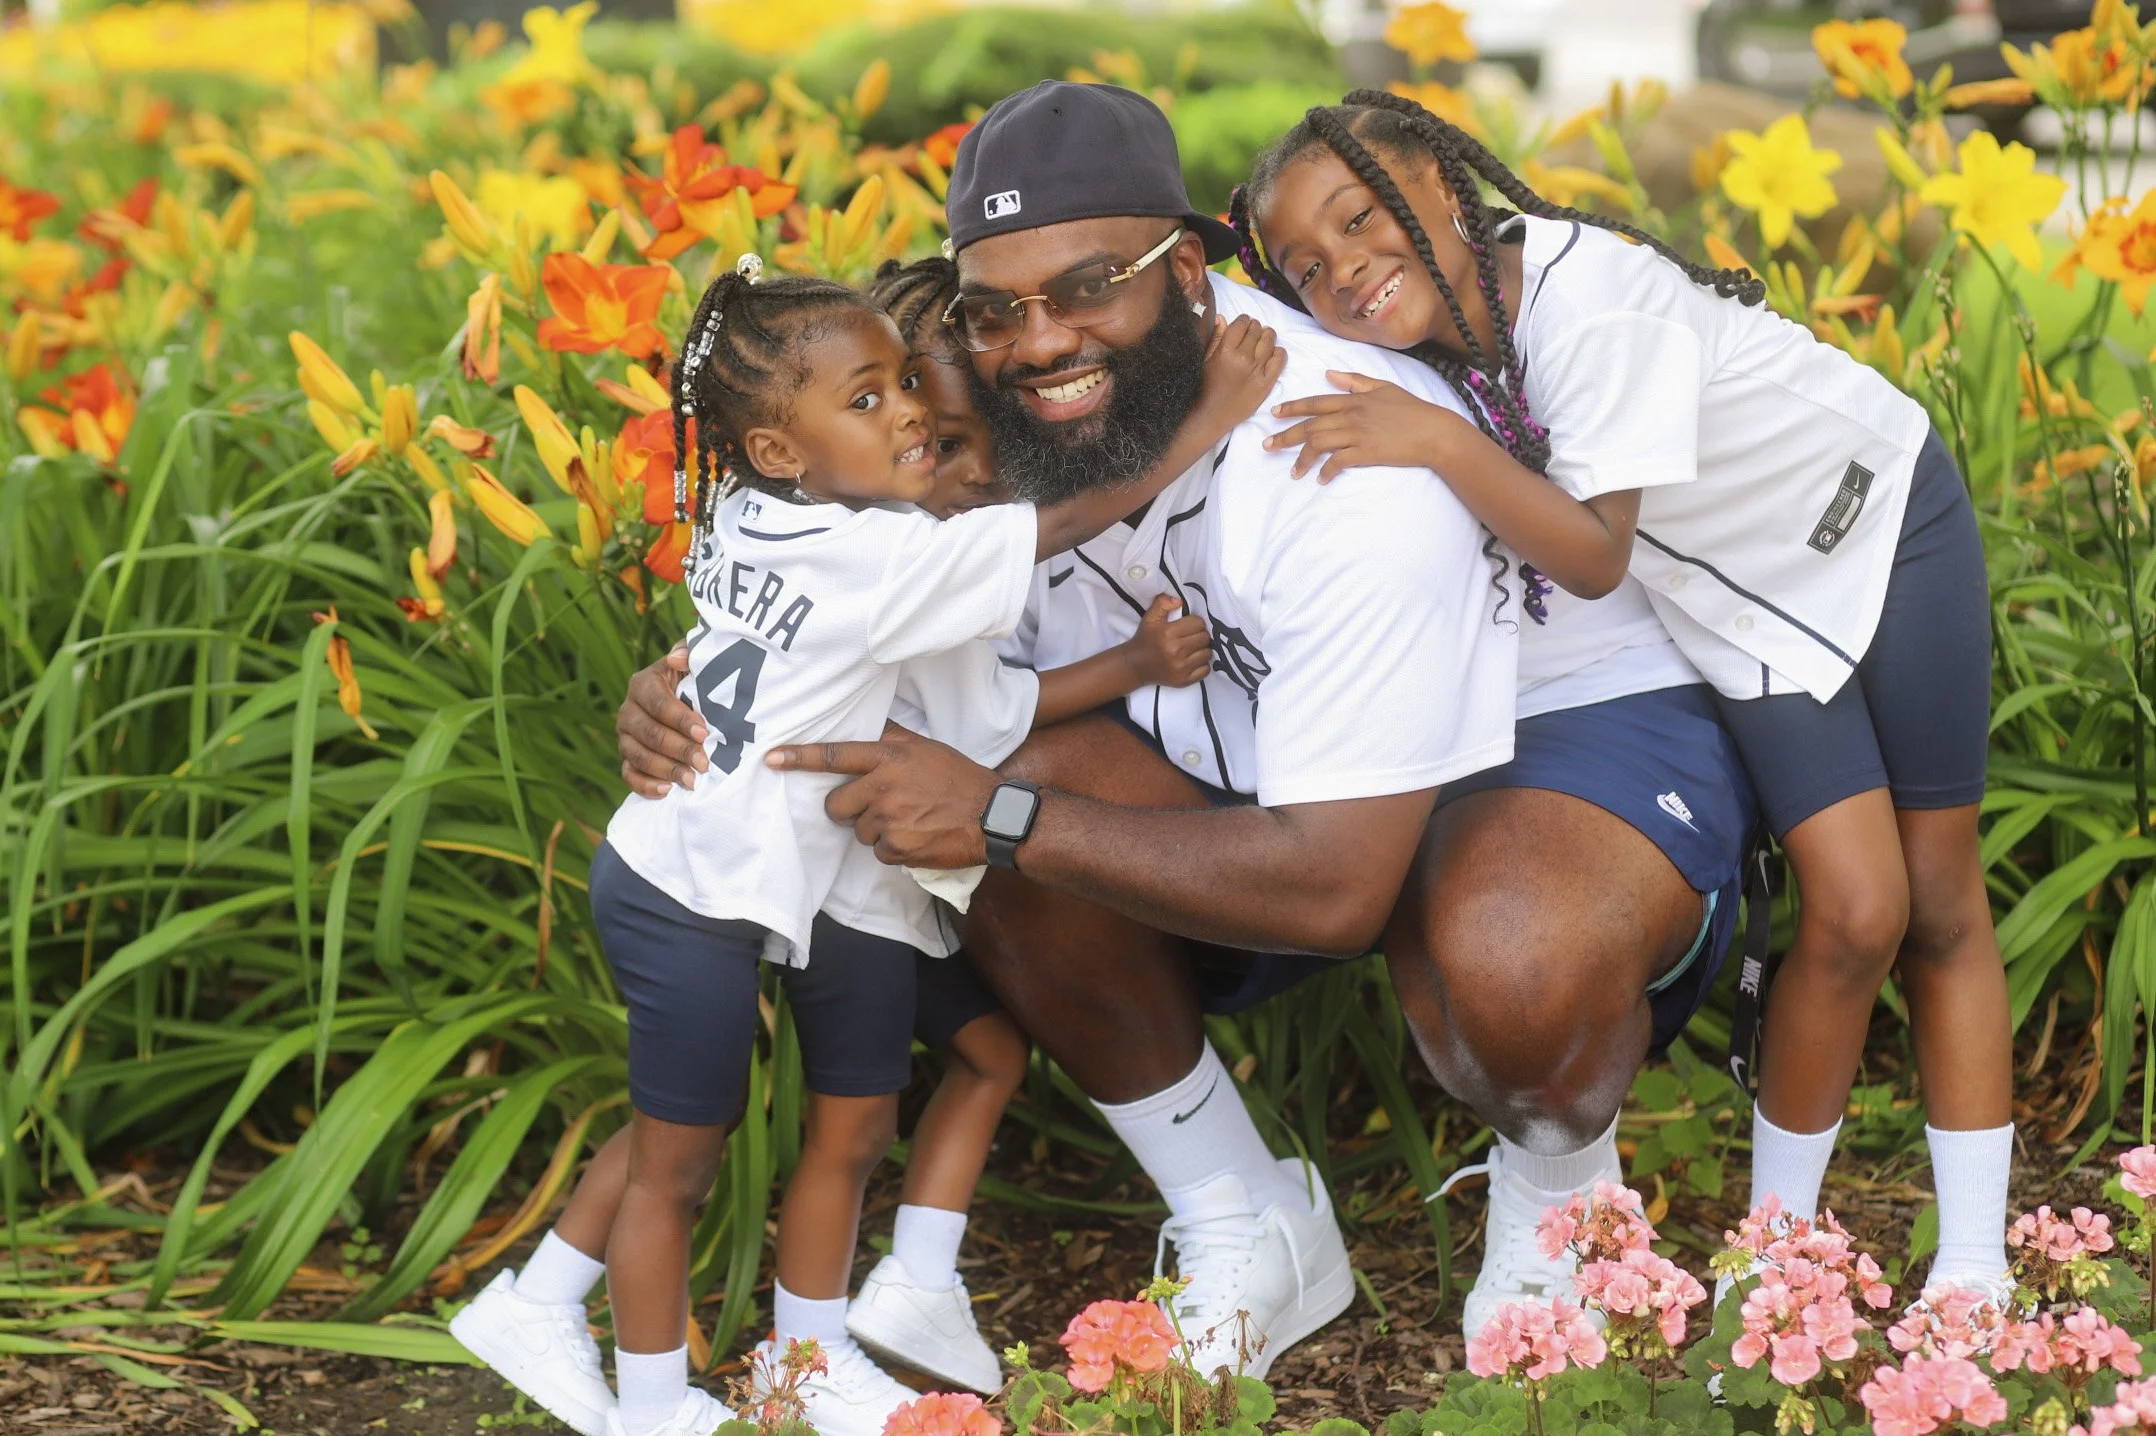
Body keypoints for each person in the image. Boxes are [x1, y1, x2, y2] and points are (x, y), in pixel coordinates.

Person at [618, 79, 1762, 1354]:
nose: (1041, 340)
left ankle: (1560, 1194)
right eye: (1001, 307)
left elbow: (1332, 887)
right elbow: (826, 604)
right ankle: (1248, 1219)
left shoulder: (1336, 459)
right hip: (1269, 748)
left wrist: (998, 813)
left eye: (1092, 283)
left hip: (1551, 731)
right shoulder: (984, 442)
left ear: (1193, 274)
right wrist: (693, 690)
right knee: (978, 775)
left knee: (1510, 956)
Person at [455, 251, 1281, 1436]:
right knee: (681, 1153)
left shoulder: (768, 515)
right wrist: (1207, 421)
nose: (907, 423)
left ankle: (808, 1349)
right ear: (780, 450)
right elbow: (1051, 525)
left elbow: (979, 703)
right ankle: (646, 1418)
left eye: (913, 396)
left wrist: (1122, 664)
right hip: (696, 882)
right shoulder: (872, 557)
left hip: (801, 875)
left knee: (851, 1118)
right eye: (875, 404)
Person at [1237, 96, 2010, 1296]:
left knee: (1941, 904)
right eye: (1308, 266)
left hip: (1877, 519)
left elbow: (1593, 551)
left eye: (1360, 218)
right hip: (1737, 607)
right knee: (1855, 914)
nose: (1346, 270)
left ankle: (1973, 1268)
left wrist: (1436, 444)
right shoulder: (1435, 345)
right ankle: (1778, 1273)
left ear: (1442, 189)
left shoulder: (1586, 296)